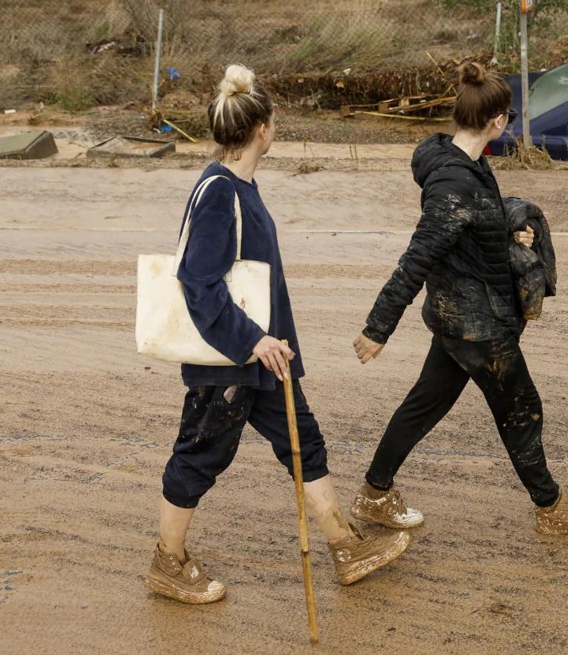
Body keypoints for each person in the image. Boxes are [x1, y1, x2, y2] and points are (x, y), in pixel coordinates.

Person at [146, 65, 410, 605]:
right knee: (200, 455)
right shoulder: (220, 191)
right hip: (231, 360)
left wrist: (272, 343)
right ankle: (167, 561)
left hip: (265, 357)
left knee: (304, 444)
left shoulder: (239, 184)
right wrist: (253, 341)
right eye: (273, 120)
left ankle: (342, 545)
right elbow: (198, 282)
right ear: (262, 128)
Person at [351, 61, 568, 535]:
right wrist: (377, 328)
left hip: (460, 318)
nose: (507, 125)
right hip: (477, 325)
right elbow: (417, 259)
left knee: (423, 406)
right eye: (507, 119)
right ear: (496, 121)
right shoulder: (453, 184)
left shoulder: (466, 162)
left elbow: (470, 231)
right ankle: (552, 508)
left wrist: (513, 236)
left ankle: (374, 495)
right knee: (521, 408)